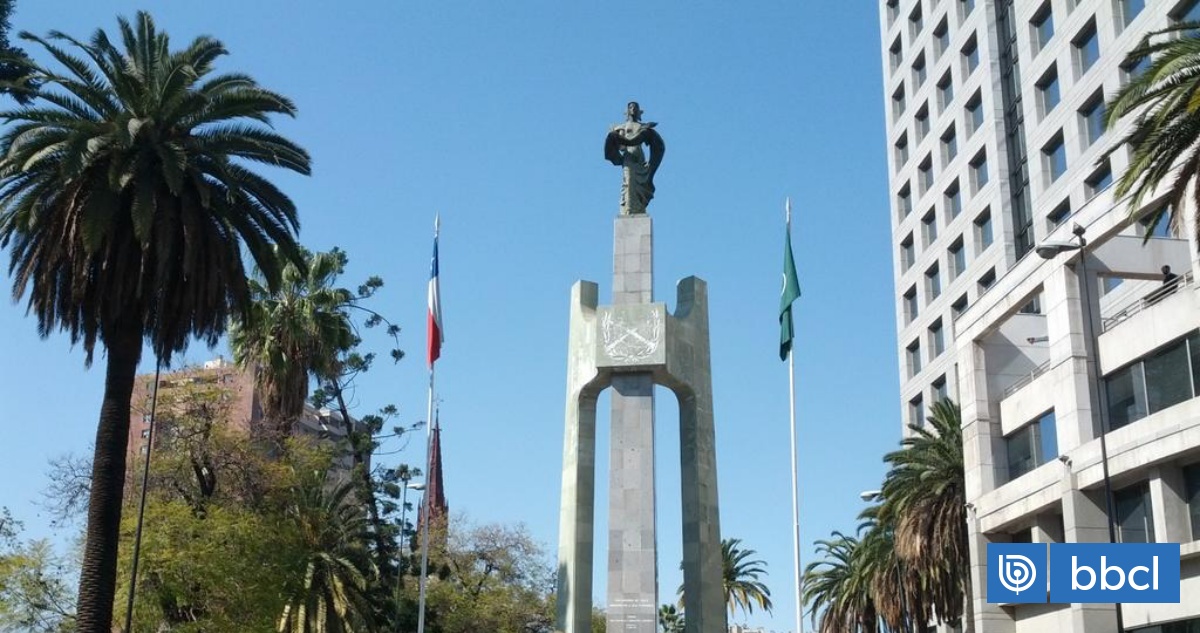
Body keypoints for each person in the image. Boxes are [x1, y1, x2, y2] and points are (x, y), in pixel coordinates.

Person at [604, 102, 665, 215]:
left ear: (638, 111)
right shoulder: (622, 127)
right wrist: (617, 139)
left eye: (635, 108)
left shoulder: (642, 126)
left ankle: (638, 208)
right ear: (627, 111)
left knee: (639, 185)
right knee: (629, 181)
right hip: (629, 158)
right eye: (631, 107)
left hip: (639, 158)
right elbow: (621, 146)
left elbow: (654, 142)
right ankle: (629, 209)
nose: (633, 109)